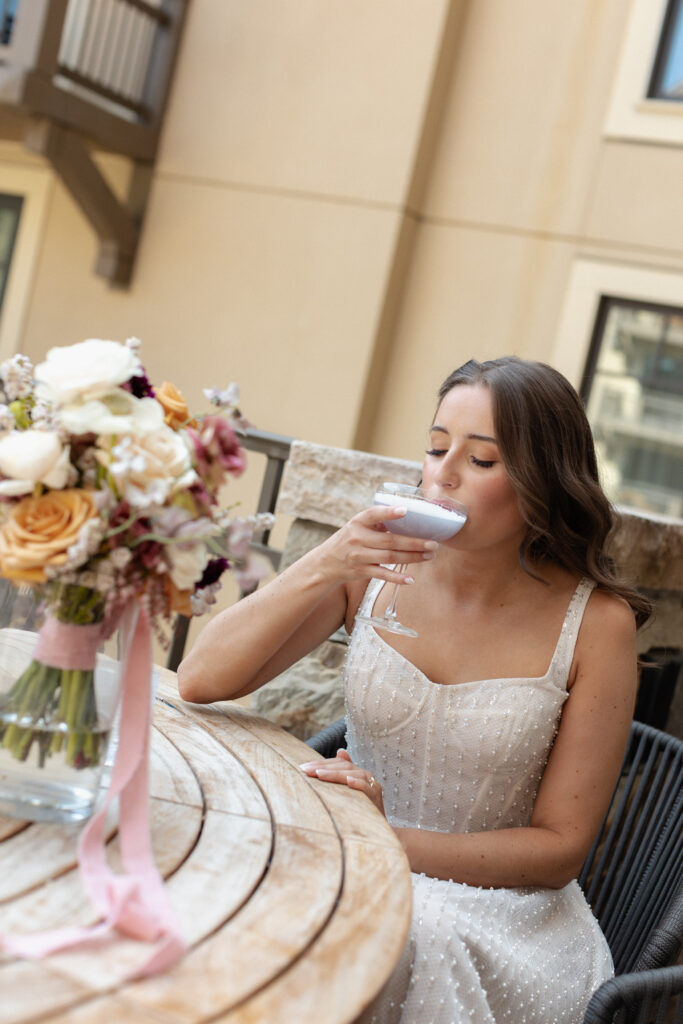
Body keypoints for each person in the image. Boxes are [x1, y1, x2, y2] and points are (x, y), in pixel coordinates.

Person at [178, 356, 650, 1024]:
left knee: (396, 932)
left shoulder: (595, 624)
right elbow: (203, 679)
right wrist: (327, 560)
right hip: (352, 864)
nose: (442, 474)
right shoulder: (374, 567)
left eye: (480, 461)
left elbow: (557, 849)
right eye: (434, 448)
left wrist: (383, 840)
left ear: (540, 482)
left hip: (500, 915)